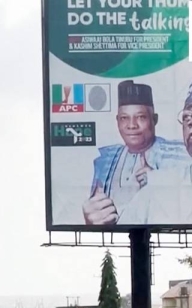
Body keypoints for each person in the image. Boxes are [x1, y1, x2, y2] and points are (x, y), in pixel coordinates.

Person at [82, 80, 190, 225]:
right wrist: (93, 222)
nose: (132, 126)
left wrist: (160, 181)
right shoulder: (106, 160)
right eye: (124, 118)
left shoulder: (181, 153)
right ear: (117, 121)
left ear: (154, 119)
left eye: (141, 117)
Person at [118, 85, 192, 224]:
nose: (190, 123)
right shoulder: (159, 186)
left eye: (140, 117)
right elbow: (122, 232)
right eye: (187, 117)